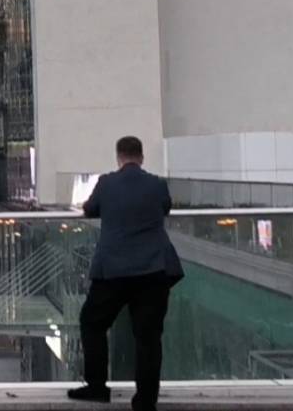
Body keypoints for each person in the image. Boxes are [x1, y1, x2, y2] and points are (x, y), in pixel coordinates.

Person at [69, 136, 184, 411]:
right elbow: (165, 207)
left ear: (119, 158)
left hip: (114, 271)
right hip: (153, 270)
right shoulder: (157, 184)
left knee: (92, 322)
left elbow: (90, 209)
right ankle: (145, 400)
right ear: (141, 158)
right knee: (148, 337)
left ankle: (97, 386)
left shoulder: (107, 183)